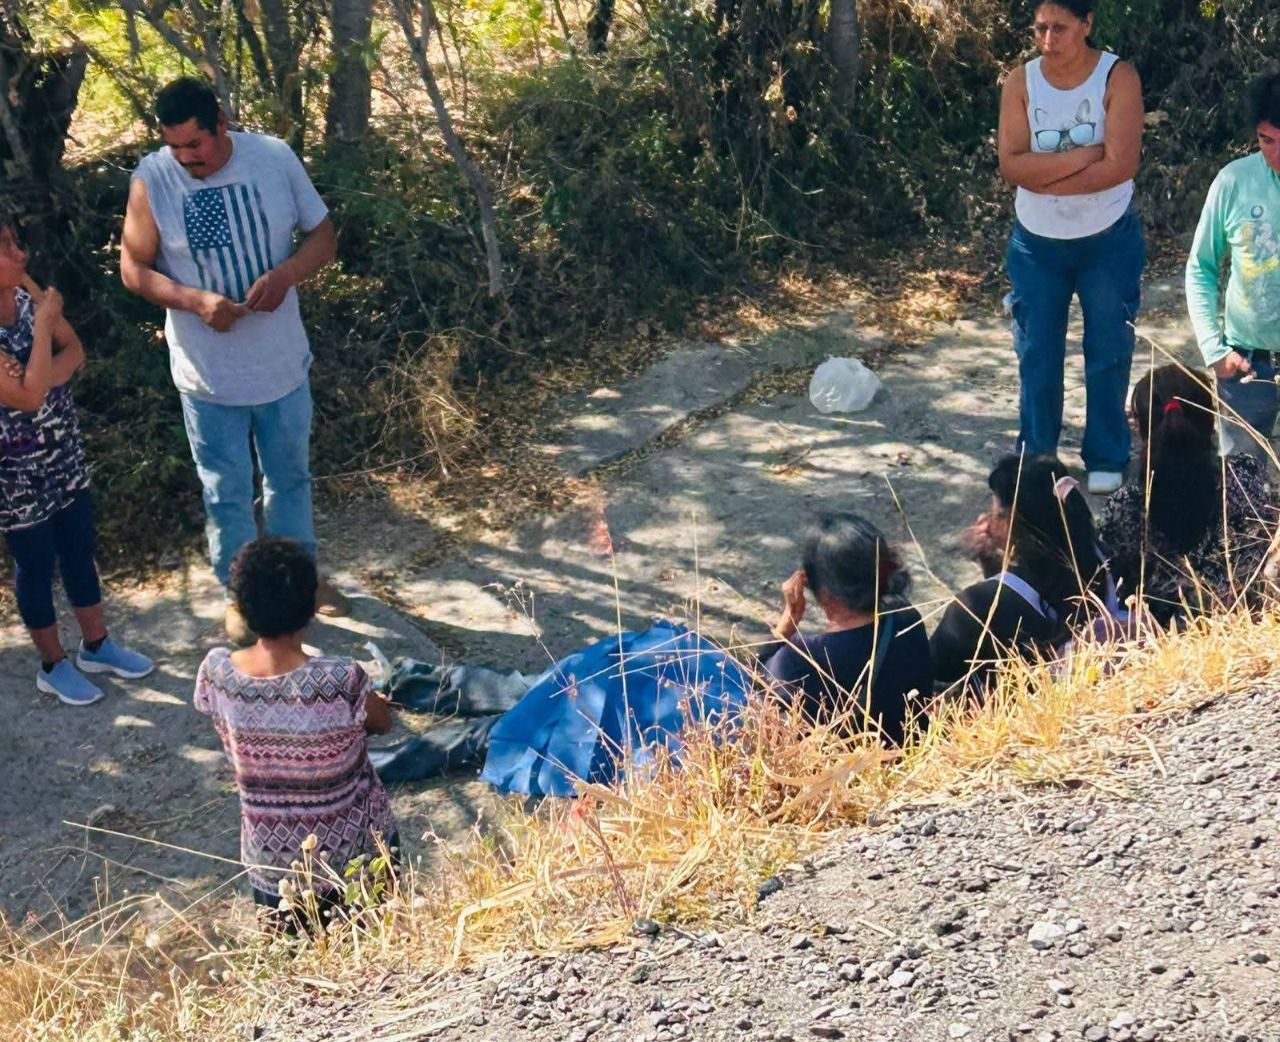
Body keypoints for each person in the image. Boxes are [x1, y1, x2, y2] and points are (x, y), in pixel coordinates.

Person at [120, 76, 344, 645]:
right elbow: (133, 267)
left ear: (221, 123)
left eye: (195, 144)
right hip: (207, 377)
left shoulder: (273, 157)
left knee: (290, 480)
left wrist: (287, 275)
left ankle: (300, 585)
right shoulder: (152, 179)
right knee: (225, 491)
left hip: (281, 366)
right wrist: (193, 301)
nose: (186, 158)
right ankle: (241, 598)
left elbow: (323, 237)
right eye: (175, 147)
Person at [194, 537, 397, 929]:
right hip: (354, 854)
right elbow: (381, 723)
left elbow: (214, 707)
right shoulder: (341, 678)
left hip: (274, 867)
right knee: (377, 946)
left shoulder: (216, 672)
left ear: (241, 607)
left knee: (295, 958)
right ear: (312, 608)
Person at [0, 215, 153, 706]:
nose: (20, 254)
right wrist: (44, 334)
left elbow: (75, 351)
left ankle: (97, 646)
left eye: (16, 242)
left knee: (79, 548)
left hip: (63, 451)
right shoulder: (37, 310)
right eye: (5, 247)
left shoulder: (27, 298)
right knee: (36, 564)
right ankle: (53, 665)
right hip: (14, 473)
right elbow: (25, 399)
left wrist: (39, 373)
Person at [997, 0, 1145, 495]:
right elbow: (1012, 165)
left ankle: (1106, 454)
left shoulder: (1117, 78)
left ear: (1087, 24)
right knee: (1037, 353)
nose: (1048, 39)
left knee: (1108, 348)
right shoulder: (1021, 82)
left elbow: (1120, 165)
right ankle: (1038, 458)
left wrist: (1046, 175)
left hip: (1107, 240)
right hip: (1036, 246)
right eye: (1040, 28)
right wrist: (1084, 157)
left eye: (1060, 28)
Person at [1099, 365, 1276, 626]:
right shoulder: (1247, 475)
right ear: (1211, 419)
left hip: (1159, 639)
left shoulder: (1124, 506)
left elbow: (1104, 584)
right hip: (1244, 627)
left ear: (1140, 427)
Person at [932, 455, 1119, 691]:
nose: (986, 520)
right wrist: (996, 568)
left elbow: (932, 669)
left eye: (995, 513)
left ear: (1009, 520)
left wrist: (993, 568)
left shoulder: (975, 605)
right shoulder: (1105, 559)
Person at [763, 512, 933, 746]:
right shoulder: (906, 619)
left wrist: (787, 621)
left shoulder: (799, 660)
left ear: (823, 591)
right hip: (910, 757)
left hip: (846, 768)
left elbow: (751, 689)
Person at [1185, 71, 1280, 457]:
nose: (1276, 155)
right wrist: (1214, 349)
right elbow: (1200, 267)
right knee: (1243, 486)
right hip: (1246, 368)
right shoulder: (1233, 182)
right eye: (1266, 140)